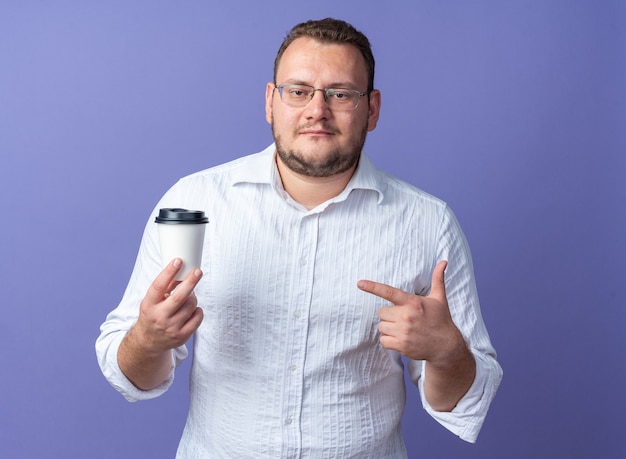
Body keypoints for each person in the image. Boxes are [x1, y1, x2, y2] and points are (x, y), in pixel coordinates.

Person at [96, 17, 502, 458]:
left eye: (341, 93)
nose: (317, 110)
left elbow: (459, 402)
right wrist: (148, 339)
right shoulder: (192, 205)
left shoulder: (428, 222)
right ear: (271, 101)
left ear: (373, 108)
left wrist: (446, 352)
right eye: (298, 90)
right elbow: (132, 377)